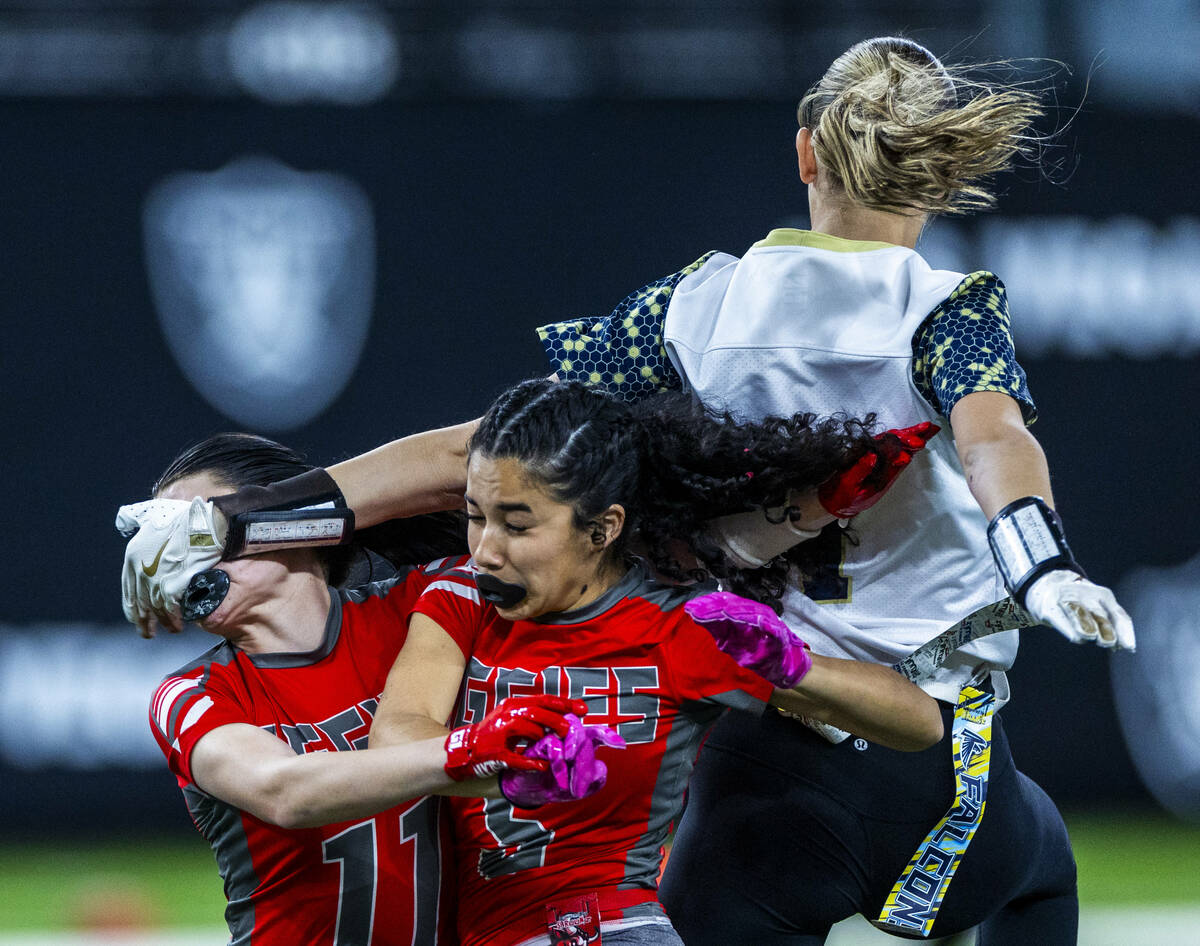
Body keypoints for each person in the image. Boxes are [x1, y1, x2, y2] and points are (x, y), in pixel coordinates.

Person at [116, 35, 1134, 944]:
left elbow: (490, 446)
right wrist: (1037, 557)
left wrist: (234, 519)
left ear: (805, 154)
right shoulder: (946, 311)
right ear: (941, 174)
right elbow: (994, 439)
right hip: (907, 734)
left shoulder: (697, 305)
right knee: (1036, 869)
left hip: (745, 741)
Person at [364, 378, 946, 946]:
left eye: (517, 525)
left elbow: (919, 726)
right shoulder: (460, 597)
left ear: (602, 529)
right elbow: (395, 740)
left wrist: (794, 666)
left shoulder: (677, 629)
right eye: (476, 516)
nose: (486, 551)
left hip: (615, 926)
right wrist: (496, 756)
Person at [123, 433, 596, 946]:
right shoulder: (191, 693)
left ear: (286, 515)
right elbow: (284, 791)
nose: (179, 563)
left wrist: (313, 503)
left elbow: (523, 453)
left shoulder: (431, 603)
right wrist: (468, 751)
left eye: (197, 532)